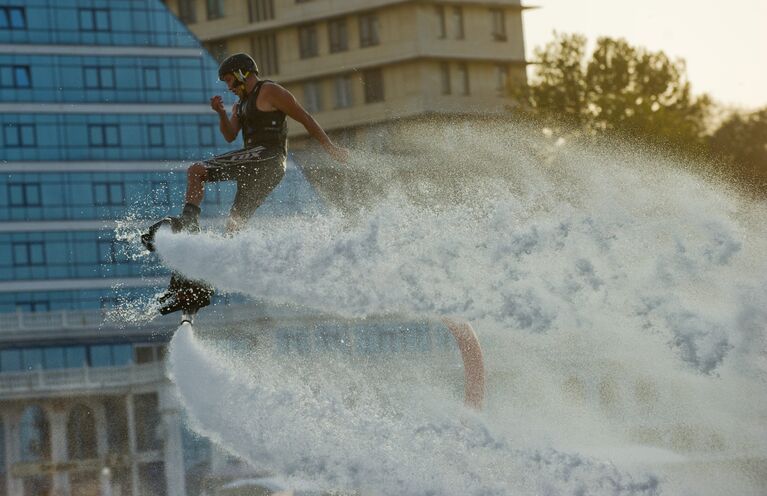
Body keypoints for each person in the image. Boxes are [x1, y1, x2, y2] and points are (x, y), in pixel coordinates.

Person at [141, 52, 348, 315]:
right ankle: (201, 284)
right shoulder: (240, 104)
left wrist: (329, 147)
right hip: (262, 169)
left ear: (242, 73)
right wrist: (220, 113)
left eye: (229, 80)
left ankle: (189, 222)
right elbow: (229, 136)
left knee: (197, 171)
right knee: (233, 229)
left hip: (266, 157)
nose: (228, 87)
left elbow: (304, 117)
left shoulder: (269, 91)